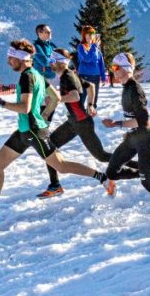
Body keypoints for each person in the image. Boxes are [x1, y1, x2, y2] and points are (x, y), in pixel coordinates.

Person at [0, 40, 107, 224]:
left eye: (11, 58)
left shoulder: (27, 77)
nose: (8, 61)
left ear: (21, 59)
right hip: (25, 130)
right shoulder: (38, 75)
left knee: (61, 166)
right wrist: (44, 114)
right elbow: (55, 97)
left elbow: (25, 108)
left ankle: (101, 177)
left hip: (33, 131)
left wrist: (1, 103)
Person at [99, 53, 150, 220]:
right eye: (112, 68)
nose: (113, 72)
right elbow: (131, 119)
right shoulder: (126, 88)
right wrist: (122, 127)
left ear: (127, 69)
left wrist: (116, 124)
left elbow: (142, 120)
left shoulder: (135, 89)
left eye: (116, 68)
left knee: (145, 181)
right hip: (132, 138)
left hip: (144, 138)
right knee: (111, 172)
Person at [37, 48, 114, 198]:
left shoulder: (67, 77)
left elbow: (74, 97)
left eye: (53, 61)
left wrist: (56, 99)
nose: (51, 64)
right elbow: (90, 86)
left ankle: (141, 167)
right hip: (73, 122)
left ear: (60, 62)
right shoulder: (70, 74)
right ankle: (55, 185)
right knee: (50, 145)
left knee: (102, 156)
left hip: (82, 123)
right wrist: (91, 104)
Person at [75, 26, 107, 106]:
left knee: (93, 100)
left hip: (95, 76)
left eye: (92, 33)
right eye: (87, 33)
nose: (90, 35)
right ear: (84, 35)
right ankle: (78, 116)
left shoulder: (96, 48)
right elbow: (87, 59)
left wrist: (103, 77)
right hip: (84, 76)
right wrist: (94, 47)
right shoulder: (81, 47)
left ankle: (90, 116)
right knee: (82, 98)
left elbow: (100, 63)